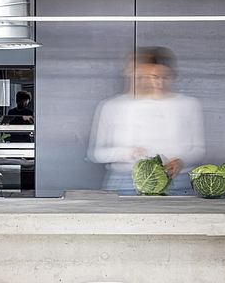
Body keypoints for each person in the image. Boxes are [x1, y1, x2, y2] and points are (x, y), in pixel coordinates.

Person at [88, 47, 205, 194]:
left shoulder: (188, 105)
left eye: (164, 77)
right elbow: (96, 153)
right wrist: (127, 153)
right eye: (151, 76)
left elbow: (198, 149)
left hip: (178, 182)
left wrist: (181, 161)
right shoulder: (112, 106)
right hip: (125, 183)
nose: (157, 82)